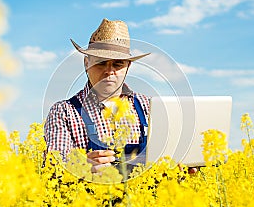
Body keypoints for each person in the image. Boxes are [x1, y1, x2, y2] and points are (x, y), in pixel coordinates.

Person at [44, 18, 198, 175]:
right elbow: (53, 168)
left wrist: (179, 172)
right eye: (101, 63)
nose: (109, 71)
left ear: (128, 67)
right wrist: (80, 167)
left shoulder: (149, 107)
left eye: (117, 64)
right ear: (86, 63)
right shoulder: (64, 112)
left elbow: (168, 156)